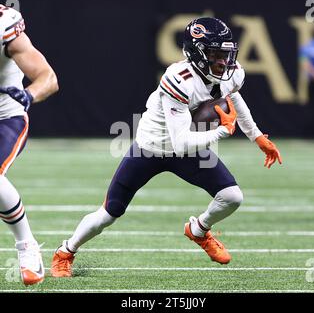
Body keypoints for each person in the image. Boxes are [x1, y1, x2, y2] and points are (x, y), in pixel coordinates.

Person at [51, 17, 281, 277]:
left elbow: (233, 95)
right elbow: (179, 140)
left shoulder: (229, 72)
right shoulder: (179, 79)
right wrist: (222, 131)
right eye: (216, 54)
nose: (223, 62)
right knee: (109, 213)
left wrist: (257, 136)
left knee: (232, 197)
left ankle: (198, 230)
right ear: (196, 53)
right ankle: (65, 252)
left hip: (187, 148)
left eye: (225, 54)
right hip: (151, 149)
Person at [0, 4, 59, 285]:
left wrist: (28, 95)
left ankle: (26, 245)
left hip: (5, 117)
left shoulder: (4, 25)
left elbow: (48, 78)